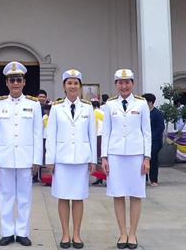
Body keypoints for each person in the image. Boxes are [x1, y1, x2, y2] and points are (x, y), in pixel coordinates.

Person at [0, 61, 43, 246]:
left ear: (24, 82)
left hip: (26, 158)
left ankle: (22, 232)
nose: (15, 83)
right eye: (12, 80)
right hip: (4, 158)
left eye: (18, 79)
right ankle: (6, 231)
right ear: (7, 83)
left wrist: (37, 160)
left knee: (24, 197)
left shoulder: (33, 104)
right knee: (5, 196)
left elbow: (38, 134)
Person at [46, 69, 96, 249]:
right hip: (62, 159)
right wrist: (50, 160)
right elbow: (50, 135)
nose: (73, 86)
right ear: (64, 86)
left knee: (78, 197)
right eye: (69, 83)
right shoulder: (56, 108)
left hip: (82, 158)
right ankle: (65, 234)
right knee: (62, 197)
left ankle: (77, 234)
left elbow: (92, 135)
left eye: (76, 83)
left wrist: (93, 160)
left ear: (80, 87)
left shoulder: (88, 107)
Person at [102, 69, 151, 250]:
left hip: (136, 154)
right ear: (116, 85)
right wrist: (104, 157)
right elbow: (106, 131)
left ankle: (133, 233)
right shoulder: (110, 104)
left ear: (132, 83)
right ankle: (122, 233)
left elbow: (146, 132)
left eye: (127, 82)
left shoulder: (141, 103)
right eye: (120, 83)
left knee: (136, 194)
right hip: (115, 155)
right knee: (118, 194)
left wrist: (147, 157)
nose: (124, 86)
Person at [143, 93, 164, 187]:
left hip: (155, 142)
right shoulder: (143, 113)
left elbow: (160, 128)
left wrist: (151, 137)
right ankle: (144, 179)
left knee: (153, 160)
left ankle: (153, 180)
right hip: (144, 141)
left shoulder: (157, 113)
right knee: (142, 160)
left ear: (150, 102)